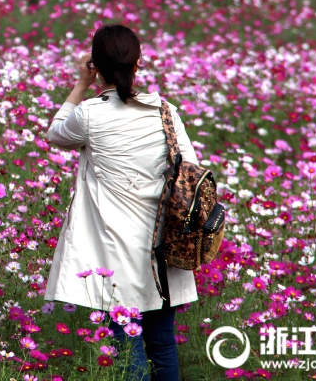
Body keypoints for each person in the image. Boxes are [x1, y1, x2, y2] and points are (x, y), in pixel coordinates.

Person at [44, 24, 198, 381]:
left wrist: (82, 83)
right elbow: (190, 170)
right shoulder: (165, 111)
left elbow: (55, 134)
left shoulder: (89, 114)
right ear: (139, 62)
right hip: (164, 246)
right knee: (162, 343)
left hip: (114, 249)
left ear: (95, 65)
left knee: (125, 345)